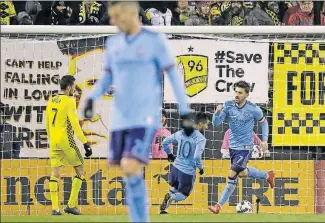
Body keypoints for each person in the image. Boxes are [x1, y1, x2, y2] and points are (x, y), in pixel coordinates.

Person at [83, 2, 190, 222]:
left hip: (145, 115)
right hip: (121, 117)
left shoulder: (154, 41)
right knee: (129, 172)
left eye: (116, 17)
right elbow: (107, 78)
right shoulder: (113, 43)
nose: (112, 22)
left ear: (132, 13)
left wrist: (185, 111)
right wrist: (92, 98)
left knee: (130, 166)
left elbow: (173, 77)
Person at [208, 80, 275, 214]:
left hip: (245, 147)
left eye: (240, 93)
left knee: (233, 174)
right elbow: (216, 124)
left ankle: (218, 206)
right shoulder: (228, 106)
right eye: (236, 92)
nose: (237, 95)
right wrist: (216, 113)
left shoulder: (253, 109)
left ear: (246, 94)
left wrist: (264, 140)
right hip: (233, 147)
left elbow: (264, 123)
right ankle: (268, 175)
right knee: (242, 172)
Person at [46, 75, 92, 215]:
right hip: (66, 140)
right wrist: (85, 143)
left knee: (55, 173)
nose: (74, 89)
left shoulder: (51, 100)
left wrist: (52, 138)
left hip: (53, 141)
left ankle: (55, 208)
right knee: (81, 170)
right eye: (73, 86)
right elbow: (75, 125)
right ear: (69, 87)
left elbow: (47, 124)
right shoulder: (69, 101)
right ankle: (71, 205)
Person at [159, 112, 209, 214]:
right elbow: (197, 157)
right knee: (184, 194)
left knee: (175, 188)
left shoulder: (181, 132)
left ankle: (163, 211)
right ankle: (171, 197)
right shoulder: (201, 138)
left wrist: (169, 154)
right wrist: (201, 168)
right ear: (201, 124)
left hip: (175, 168)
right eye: (206, 124)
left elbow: (164, 142)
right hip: (187, 172)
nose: (207, 127)